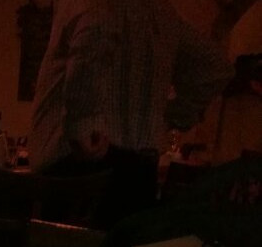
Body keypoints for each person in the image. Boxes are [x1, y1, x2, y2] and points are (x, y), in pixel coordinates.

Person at [29, 0, 232, 225]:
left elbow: (94, 30)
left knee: (64, 244)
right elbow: (216, 68)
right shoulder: (162, 14)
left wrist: (83, 123)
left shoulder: (92, 7)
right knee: (122, 243)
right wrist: (172, 116)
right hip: (140, 166)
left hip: (81, 164)